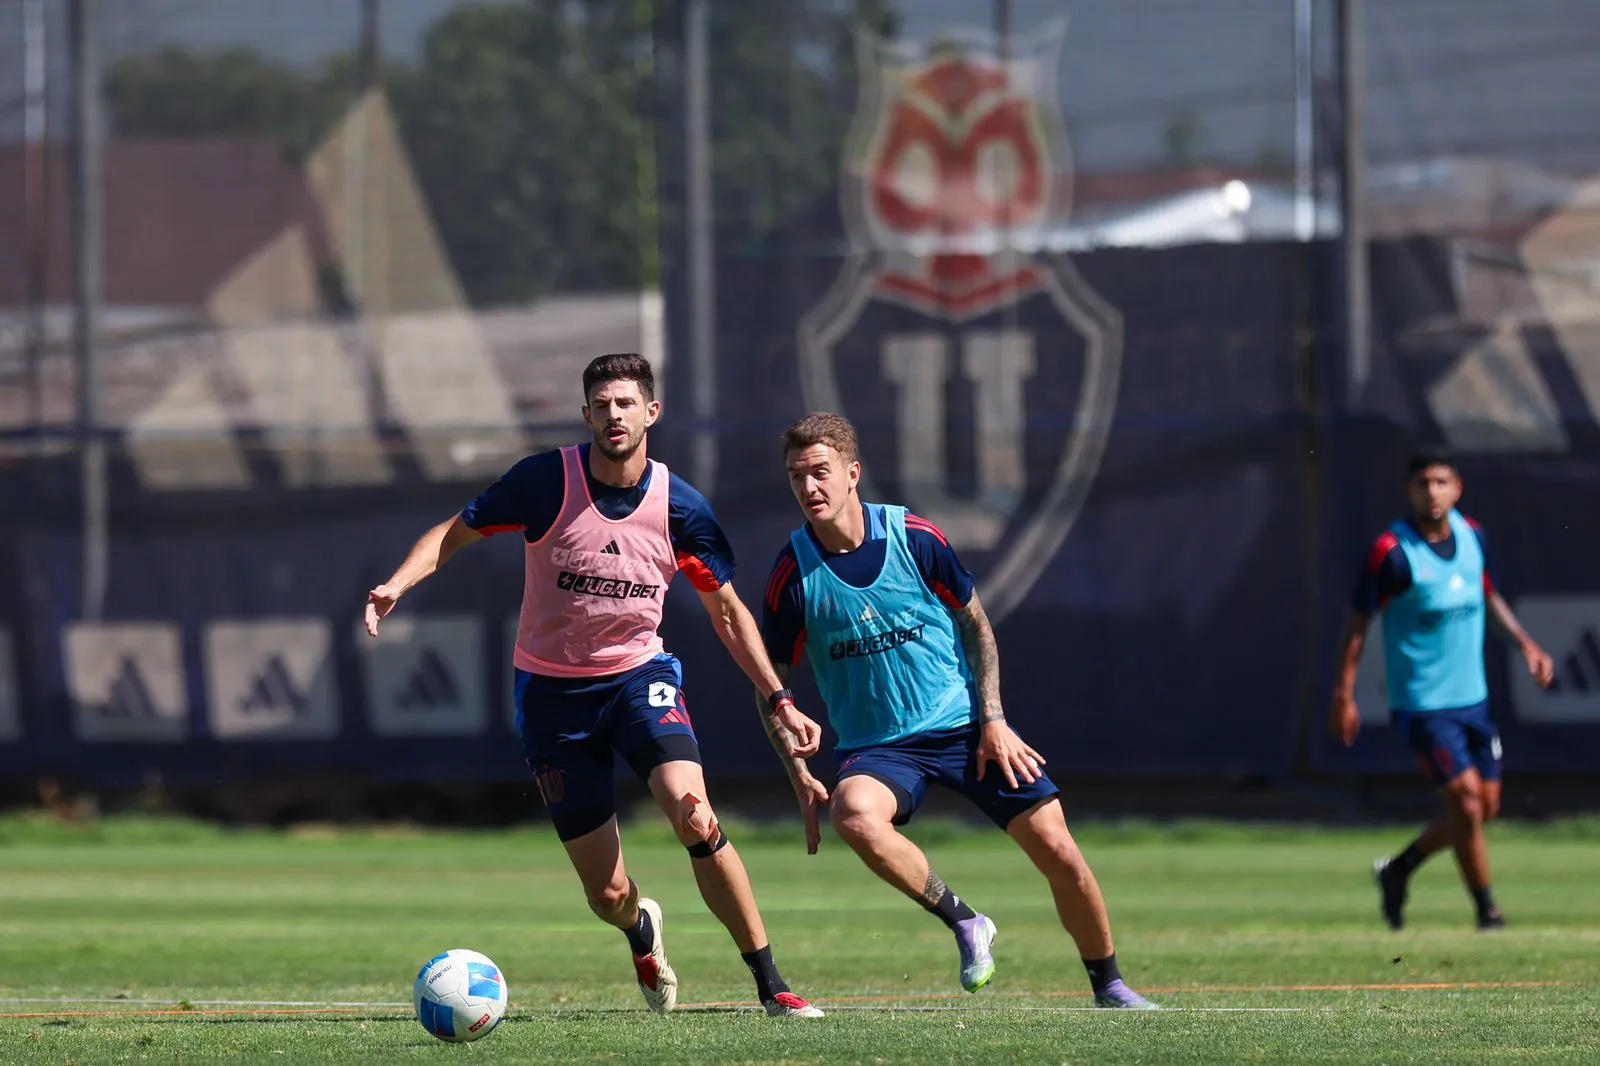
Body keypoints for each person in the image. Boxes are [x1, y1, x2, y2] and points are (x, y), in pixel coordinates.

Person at [365, 354, 825, 1018]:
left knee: (692, 811)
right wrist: (396, 586)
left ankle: (771, 983)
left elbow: (727, 611)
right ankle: (641, 929)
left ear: (651, 413)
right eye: (602, 405)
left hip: (640, 679)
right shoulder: (546, 482)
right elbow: (454, 534)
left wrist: (780, 699)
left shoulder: (682, 508)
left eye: (626, 403)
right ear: (587, 416)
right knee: (607, 895)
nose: (614, 414)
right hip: (552, 699)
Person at [753, 411, 1157, 1009]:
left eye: (820, 472)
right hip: (878, 747)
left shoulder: (915, 537)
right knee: (855, 814)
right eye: (797, 477)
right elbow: (772, 687)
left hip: (965, 726)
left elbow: (976, 625)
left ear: (853, 473)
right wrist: (800, 775)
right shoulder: (793, 574)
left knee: (1059, 848)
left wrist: (993, 719)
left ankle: (1112, 986)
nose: (809, 488)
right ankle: (966, 921)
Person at [1329, 447, 1554, 931]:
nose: (1432, 492)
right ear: (1409, 490)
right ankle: (1487, 911)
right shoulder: (1393, 552)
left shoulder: (1474, 537)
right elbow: (1357, 625)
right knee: (1467, 803)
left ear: (1457, 489)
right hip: (1423, 704)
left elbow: (1487, 594)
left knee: (1482, 809)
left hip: (1473, 698)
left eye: (1441, 482)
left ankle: (1398, 869)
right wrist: (1343, 695)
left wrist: (1526, 645)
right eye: (1423, 483)